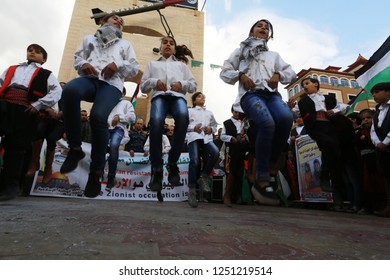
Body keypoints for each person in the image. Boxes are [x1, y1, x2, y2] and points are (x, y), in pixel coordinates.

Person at [59, 14, 139, 198]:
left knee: (98, 117)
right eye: (115, 18)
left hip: (111, 85)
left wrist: (116, 64)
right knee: (70, 91)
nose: (119, 21)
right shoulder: (89, 39)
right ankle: (75, 149)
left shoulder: (125, 45)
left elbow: (134, 67)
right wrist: (85, 63)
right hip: (89, 79)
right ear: (103, 22)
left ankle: (95, 172)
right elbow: (77, 58)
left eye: (122, 22)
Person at [220, 19, 296, 203]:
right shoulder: (240, 52)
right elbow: (224, 72)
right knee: (267, 123)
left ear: (269, 35)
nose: (263, 28)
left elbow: (290, 73)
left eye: (267, 27)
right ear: (251, 31)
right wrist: (241, 74)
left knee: (286, 117)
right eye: (259, 26)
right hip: (251, 95)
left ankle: (270, 167)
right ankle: (261, 177)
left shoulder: (274, 56)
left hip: (272, 96)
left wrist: (278, 75)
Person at [0, 44, 62, 201]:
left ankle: (10, 186)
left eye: (37, 51)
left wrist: (38, 104)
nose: (32, 52)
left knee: (16, 147)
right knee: (6, 144)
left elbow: (57, 91)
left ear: (44, 58)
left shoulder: (46, 74)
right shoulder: (12, 69)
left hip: (26, 111)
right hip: (5, 106)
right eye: (30, 50)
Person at [141, 35, 197, 192]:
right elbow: (144, 87)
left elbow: (193, 85)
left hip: (177, 97)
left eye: (171, 43)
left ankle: (172, 163)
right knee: (156, 122)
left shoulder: (181, 66)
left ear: (174, 48)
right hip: (159, 96)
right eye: (164, 42)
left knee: (183, 117)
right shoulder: (152, 64)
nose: (168, 45)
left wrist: (182, 84)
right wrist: (154, 82)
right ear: (160, 47)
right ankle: (157, 170)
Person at [288, 77, 350, 211]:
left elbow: (345, 106)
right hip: (315, 127)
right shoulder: (303, 102)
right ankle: (323, 173)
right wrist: (290, 108)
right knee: (329, 144)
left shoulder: (328, 98)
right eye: (303, 85)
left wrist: (334, 111)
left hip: (330, 126)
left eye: (306, 83)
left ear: (315, 84)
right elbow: (294, 115)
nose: (304, 86)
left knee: (335, 156)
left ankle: (337, 199)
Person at [26, 81, 66, 184]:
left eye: (63, 87)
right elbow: (39, 102)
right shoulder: (48, 95)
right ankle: (35, 162)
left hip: (60, 123)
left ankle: (48, 169)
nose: (61, 88)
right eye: (59, 86)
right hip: (45, 118)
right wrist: (48, 109)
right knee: (38, 132)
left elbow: (73, 111)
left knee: (51, 139)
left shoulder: (69, 99)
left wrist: (61, 113)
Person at [186, 92, 219, 208]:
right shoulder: (189, 111)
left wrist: (211, 129)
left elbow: (215, 126)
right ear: (194, 100)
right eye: (199, 96)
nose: (202, 98)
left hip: (206, 138)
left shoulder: (209, 113)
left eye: (203, 97)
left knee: (215, 152)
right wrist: (193, 128)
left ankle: (204, 176)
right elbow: (183, 125)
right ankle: (192, 188)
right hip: (194, 137)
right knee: (194, 160)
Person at [106, 88, 136, 191]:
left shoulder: (126, 103)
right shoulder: (107, 102)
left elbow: (132, 117)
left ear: (123, 93)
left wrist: (119, 117)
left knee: (114, 146)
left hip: (118, 129)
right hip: (105, 129)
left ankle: (111, 178)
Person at [220, 105, 249, 207]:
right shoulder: (227, 123)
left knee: (240, 173)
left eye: (239, 112)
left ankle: (239, 195)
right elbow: (222, 136)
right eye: (235, 112)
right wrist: (231, 138)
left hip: (243, 150)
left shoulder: (245, 122)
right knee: (231, 172)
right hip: (232, 150)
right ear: (232, 111)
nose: (237, 114)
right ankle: (227, 196)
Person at [370, 82, 390, 217]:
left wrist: (387, 142)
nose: (373, 95)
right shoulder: (377, 112)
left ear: (388, 92)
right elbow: (373, 131)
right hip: (382, 152)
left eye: (377, 92)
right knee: (387, 179)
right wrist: (378, 143)